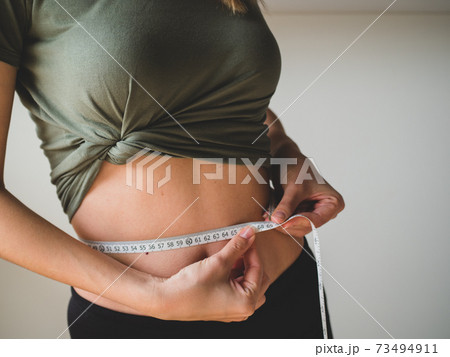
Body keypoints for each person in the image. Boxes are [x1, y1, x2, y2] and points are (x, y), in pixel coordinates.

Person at [0, 0, 344, 338]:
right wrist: (154, 295)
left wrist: (285, 149)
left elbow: (235, 101)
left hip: (282, 289)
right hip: (134, 318)